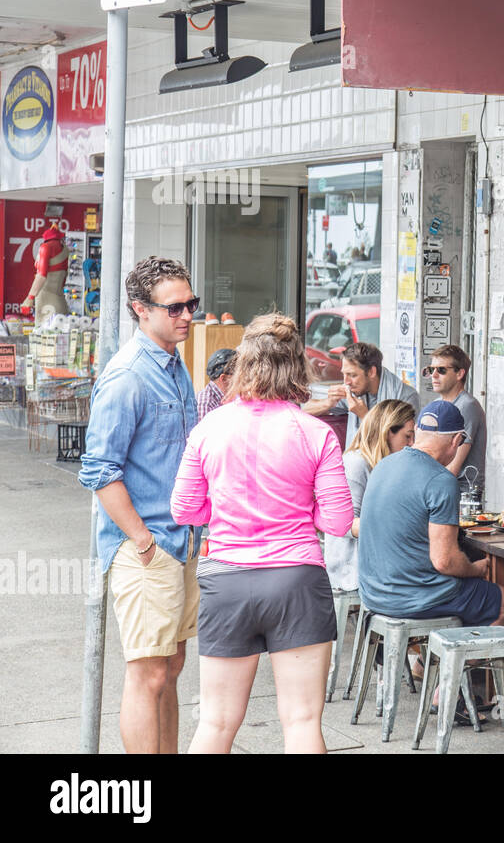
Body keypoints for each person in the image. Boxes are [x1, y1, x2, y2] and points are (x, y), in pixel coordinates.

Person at [171, 312, 354, 754]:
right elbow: (338, 522)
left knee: (214, 724)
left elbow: (184, 510)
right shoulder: (316, 433)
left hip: (226, 579)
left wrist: (229, 505)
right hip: (296, 579)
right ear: (297, 366)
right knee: (303, 723)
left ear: (244, 364)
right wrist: (299, 507)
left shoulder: (208, 429)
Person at [78, 256, 200, 754]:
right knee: (148, 674)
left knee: (170, 668)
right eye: (175, 308)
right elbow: (99, 470)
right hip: (148, 545)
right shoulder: (128, 375)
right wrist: (143, 540)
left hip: (180, 539)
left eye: (191, 303)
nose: (188, 315)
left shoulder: (174, 364)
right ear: (140, 310)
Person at [358, 400, 504, 629]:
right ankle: (453, 663)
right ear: (457, 441)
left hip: (373, 595)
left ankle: (427, 663)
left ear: (418, 432)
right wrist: (474, 570)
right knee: (502, 601)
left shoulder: (382, 465)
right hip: (415, 600)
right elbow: (444, 561)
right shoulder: (441, 480)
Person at [328, 399, 417, 593]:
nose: (411, 444)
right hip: (351, 569)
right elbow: (345, 524)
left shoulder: (388, 464)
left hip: (378, 562)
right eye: (407, 437)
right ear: (387, 433)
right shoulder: (356, 464)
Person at [302, 341, 420, 448]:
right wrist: (328, 403)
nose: (346, 382)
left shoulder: (405, 396)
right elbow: (304, 410)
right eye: (344, 374)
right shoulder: (354, 391)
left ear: (371, 372)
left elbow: (401, 445)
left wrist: (364, 415)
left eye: (352, 375)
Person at [424, 344, 486, 494]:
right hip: (438, 487)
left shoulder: (467, 406)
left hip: (461, 493)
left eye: (442, 370)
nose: (434, 375)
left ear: (460, 374)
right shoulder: (436, 405)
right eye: (431, 370)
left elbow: (453, 467)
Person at [19, 226, 70, 320]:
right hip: (60, 300)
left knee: (43, 332)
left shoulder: (45, 247)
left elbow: (41, 276)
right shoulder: (65, 249)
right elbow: (65, 276)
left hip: (46, 301)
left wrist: (30, 298)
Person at [197, 348, 237, 420]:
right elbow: (206, 431)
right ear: (224, 379)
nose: (244, 379)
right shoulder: (205, 403)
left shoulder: (231, 396)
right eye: (238, 375)